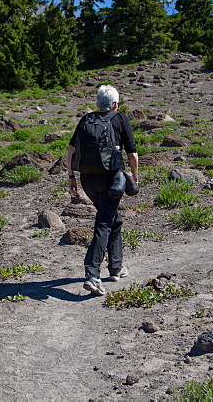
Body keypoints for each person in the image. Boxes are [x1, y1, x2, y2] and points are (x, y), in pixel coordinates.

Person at [66, 84, 139, 296]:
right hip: (111, 181)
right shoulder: (120, 118)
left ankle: (116, 268)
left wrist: (71, 177)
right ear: (115, 104)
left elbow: (71, 149)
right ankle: (92, 274)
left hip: (88, 180)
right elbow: (132, 153)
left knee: (113, 220)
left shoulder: (86, 119)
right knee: (104, 223)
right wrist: (134, 178)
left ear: (98, 104)